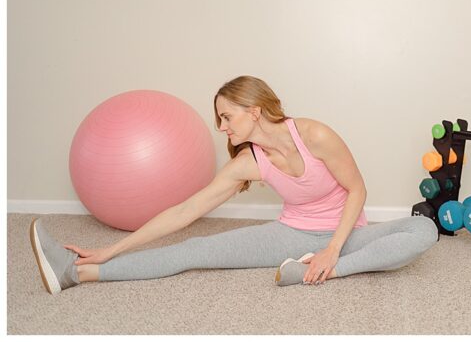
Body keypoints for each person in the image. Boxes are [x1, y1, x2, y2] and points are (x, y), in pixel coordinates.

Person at [30, 76, 438, 294]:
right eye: (219, 120)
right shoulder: (249, 163)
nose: (221, 127)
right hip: (290, 235)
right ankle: (77, 274)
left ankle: (327, 273)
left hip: (347, 235)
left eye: (226, 117)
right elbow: (184, 211)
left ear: (254, 111)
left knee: (423, 229)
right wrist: (110, 249)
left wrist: (331, 252)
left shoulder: (315, 135)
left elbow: (358, 191)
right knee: (194, 250)